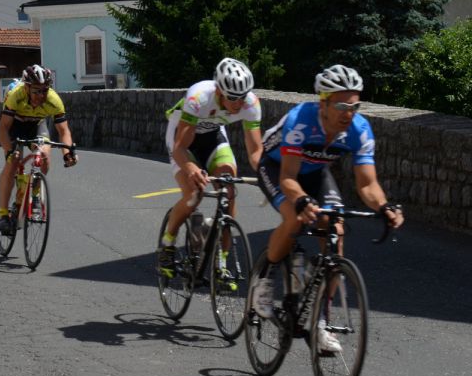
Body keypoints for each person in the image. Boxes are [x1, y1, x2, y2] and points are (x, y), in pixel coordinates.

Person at [251, 64, 404, 352]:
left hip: (317, 173)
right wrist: (301, 201)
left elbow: (368, 184)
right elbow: (287, 178)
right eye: (343, 105)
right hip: (277, 168)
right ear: (323, 102)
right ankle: (265, 278)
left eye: (355, 105)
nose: (350, 112)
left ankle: (320, 322)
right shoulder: (301, 120)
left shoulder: (359, 129)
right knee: (294, 220)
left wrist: (384, 207)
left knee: (335, 231)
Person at [158, 58, 263, 282]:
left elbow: (255, 153)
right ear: (219, 90)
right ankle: (168, 243)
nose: (238, 103)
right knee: (193, 194)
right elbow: (180, 147)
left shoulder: (251, 104)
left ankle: (221, 261)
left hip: (214, 137)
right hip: (183, 139)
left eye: (242, 97)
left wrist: (268, 175)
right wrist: (190, 167)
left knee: (229, 189)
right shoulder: (199, 97)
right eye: (233, 98)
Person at [0, 64, 77, 233]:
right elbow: (3, 128)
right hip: (14, 126)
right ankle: (3, 212)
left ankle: (35, 192)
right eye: (36, 91)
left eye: (44, 90)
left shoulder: (53, 100)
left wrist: (68, 153)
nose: (41, 95)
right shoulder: (15, 96)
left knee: (45, 155)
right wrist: (9, 151)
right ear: (26, 88)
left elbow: (63, 131)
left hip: (37, 125)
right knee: (13, 160)